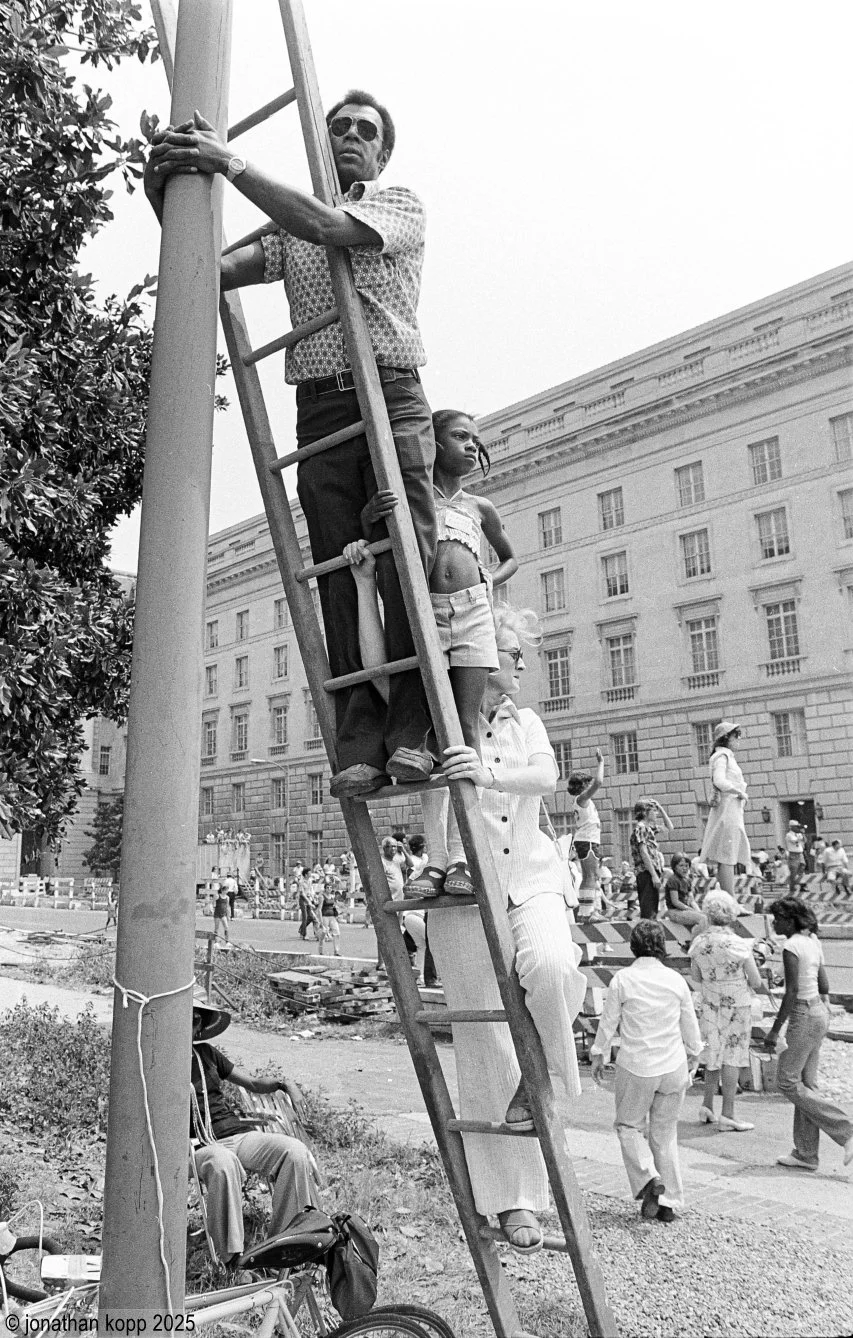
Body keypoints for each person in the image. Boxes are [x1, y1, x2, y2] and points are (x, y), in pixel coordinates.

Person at [145, 92, 437, 799]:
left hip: (389, 393)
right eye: (337, 127)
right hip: (320, 406)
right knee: (338, 571)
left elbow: (332, 226)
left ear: (382, 152)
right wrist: (171, 193)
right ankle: (360, 738)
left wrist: (229, 162)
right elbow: (210, 266)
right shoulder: (287, 230)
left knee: (404, 559)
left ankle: (415, 731)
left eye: (364, 131)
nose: (349, 138)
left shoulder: (396, 203)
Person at [348, 408, 517, 896]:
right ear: (433, 443)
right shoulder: (411, 499)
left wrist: (488, 579)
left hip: (472, 614)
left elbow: (510, 557)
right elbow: (374, 534)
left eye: (475, 439)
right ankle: (435, 861)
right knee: (426, 730)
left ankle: (463, 857)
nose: (470, 445)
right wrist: (367, 520)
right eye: (459, 436)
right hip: (425, 614)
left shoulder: (481, 507)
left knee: (464, 733)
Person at [190, 990, 321, 1264]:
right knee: (222, 1162)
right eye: (183, 1019)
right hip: (196, 1145)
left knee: (293, 1151)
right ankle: (231, 1260)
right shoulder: (159, 1060)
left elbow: (251, 1083)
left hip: (235, 1135)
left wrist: (285, 1083)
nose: (190, 1025)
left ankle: (288, 1244)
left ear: (200, 1025)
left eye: (195, 1020)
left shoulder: (207, 1054)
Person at [590, 920, 702, 1223]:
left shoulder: (623, 979)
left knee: (628, 1126)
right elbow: (689, 1025)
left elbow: (608, 1022)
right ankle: (667, 1204)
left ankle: (649, 1177)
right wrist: (694, 1055)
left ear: (633, 946)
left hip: (638, 1064)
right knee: (665, 1135)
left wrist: (598, 1054)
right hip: (673, 1063)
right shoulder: (676, 980)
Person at [763, 898, 853, 1171]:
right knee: (806, 1084)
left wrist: (775, 1030)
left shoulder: (791, 946)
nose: (774, 923)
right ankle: (805, 1153)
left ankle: (846, 1129)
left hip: (802, 1015)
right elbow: (824, 983)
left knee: (788, 1082)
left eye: (778, 918)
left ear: (790, 920)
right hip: (819, 1013)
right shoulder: (813, 941)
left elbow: (791, 993)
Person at [689, 891, 768, 1130]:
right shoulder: (739, 944)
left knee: (712, 1053)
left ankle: (707, 1106)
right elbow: (755, 981)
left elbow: (696, 977)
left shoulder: (699, 943)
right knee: (732, 1056)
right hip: (736, 1003)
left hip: (711, 1002)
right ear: (732, 915)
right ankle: (729, 1114)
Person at [699, 721, 750, 895]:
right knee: (727, 856)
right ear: (726, 738)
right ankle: (730, 899)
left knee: (728, 856)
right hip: (728, 809)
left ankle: (729, 898)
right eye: (737, 736)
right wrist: (739, 792)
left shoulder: (726, 756)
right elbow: (719, 781)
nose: (739, 740)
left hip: (732, 809)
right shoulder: (722, 757)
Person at [563, 751, 605, 920]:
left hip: (588, 839)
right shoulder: (582, 798)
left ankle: (588, 910)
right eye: (587, 784)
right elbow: (599, 782)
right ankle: (586, 912)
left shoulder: (582, 801)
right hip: (587, 840)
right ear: (582, 786)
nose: (590, 786)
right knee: (589, 875)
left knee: (591, 876)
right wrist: (600, 762)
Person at [630, 800, 670, 919]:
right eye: (654, 810)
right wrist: (653, 875)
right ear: (645, 812)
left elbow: (669, 827)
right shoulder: (641, 828)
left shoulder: (649, 828)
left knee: (652, 909)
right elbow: (644, 852)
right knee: (649, 911)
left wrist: (661, 808)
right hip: (646, 872)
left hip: (650, 871)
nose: (656, 813)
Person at [661, 853, 706, 935]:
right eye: (681, 866)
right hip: (674, 911)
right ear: (675, 867)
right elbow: (675, 902)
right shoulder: (673, 880)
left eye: (687, 865)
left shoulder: (687, 880)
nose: (684, 868)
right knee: (702, 919)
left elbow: (691, 900)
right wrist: (690, 909)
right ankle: (696, 939)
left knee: (705, 917)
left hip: (685, 910)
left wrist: (698, 911)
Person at [784, 821, 806, 893]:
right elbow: (795, 841)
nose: (798, 828)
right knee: (793, 871)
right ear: (792, 827)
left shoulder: (799, 834)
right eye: (796, 827)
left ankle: (802, 885)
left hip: (800, 854)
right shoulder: (789, 835)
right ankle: (792, 888)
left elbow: (805, 841)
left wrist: (803, 834)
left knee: (802, 868)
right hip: (793, 854)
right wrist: (800, 836)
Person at [212, 879, 230, 944]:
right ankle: (216, 942)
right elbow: (213, 902)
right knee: (216, 928)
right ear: (222, 890)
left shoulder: (227, 897)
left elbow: (227, 907)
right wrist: (213, 909)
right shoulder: (217, 896)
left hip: (223, 914)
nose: (226, 891)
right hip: (217, 914)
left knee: (226, 927)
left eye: (227, 890)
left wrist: (228, 915)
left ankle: (227, 941)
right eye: (225, 890)